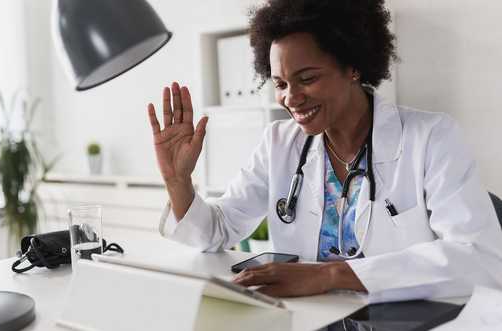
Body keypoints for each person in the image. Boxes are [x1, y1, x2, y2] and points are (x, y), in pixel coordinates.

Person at [146, 0, 502, 302]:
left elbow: (480, 258)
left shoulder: (431, 137)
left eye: (307, 78)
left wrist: (331, 275)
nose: (291, 99)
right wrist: (178, 181)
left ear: (353, 67)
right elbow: (215, 232)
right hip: (311, 318)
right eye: (280, 84)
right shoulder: (279, 143)